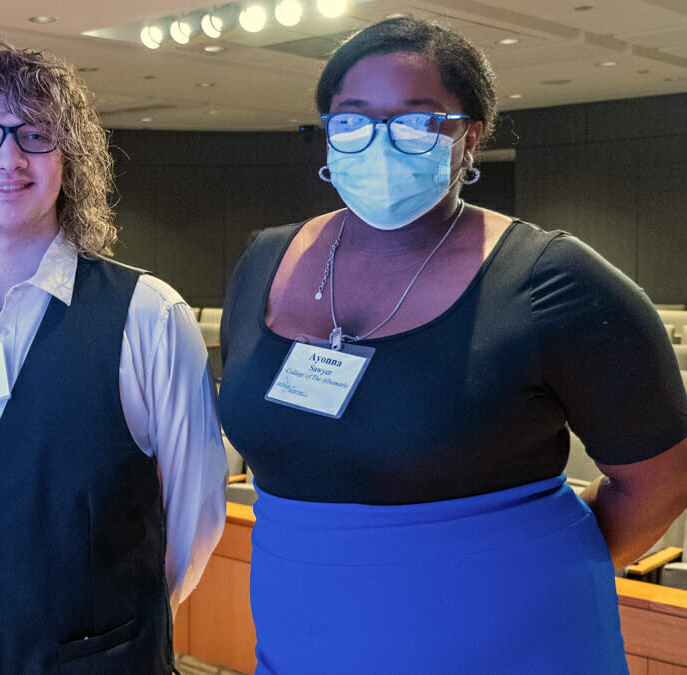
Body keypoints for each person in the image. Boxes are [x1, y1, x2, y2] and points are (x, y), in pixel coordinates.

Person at [218, 17, 687, 673]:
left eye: (415, 121)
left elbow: (660, 481)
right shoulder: (265, 260)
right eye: (354, 118)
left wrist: (519, 570)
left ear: (470, 136)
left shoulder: (553, 280)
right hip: (306, 635)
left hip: (510, 643)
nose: (379, 141)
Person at [0, 43, 228, 674]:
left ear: (70, 159)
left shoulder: (150, 314)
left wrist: (107, 629)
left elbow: (194, 521)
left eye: (35, 134)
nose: (9, 157)